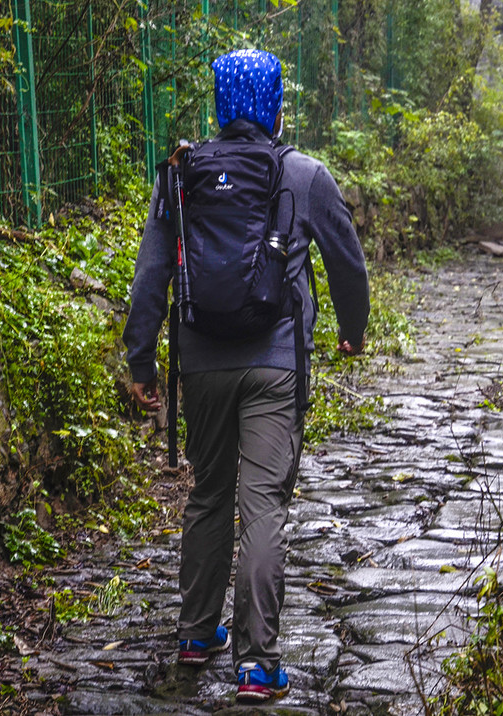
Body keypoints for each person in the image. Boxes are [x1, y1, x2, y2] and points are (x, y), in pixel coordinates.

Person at [122, 48, 370, 703]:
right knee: (262, 506)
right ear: (276, 105)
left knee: (208, 495)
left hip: (200, 364)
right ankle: (259, 666)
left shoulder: (183, 176)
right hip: (274, 364)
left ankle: (197, 634)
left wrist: (141, 358)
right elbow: (347, 262)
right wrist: (352, 328)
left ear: (220, 105)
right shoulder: (305, 174)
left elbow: (152, 275)